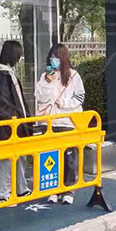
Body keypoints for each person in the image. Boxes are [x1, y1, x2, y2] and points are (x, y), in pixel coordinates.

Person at [35, 44, 85, 205]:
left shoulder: (73, 75)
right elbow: (40, 97)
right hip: (49, 122)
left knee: (68, 157)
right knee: (50, 158)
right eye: (51, 57)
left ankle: (68, 190)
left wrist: (64, 103)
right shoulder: (45, 76)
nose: (53, 60)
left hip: (66, 122)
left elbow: (80, 97)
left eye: (56, 57)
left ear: (63, 58)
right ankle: (53, 190)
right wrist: (47, 82)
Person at [0, 40, 32, 203]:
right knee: (7, 159)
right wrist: (15, 119)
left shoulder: (9, 74)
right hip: (8, 127)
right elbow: (2, 104)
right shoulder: (2, 76)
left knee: (20, 157)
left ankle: (21, 189)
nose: (19, 59)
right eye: (18, 55)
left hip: (17, 125)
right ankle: (4, 194)